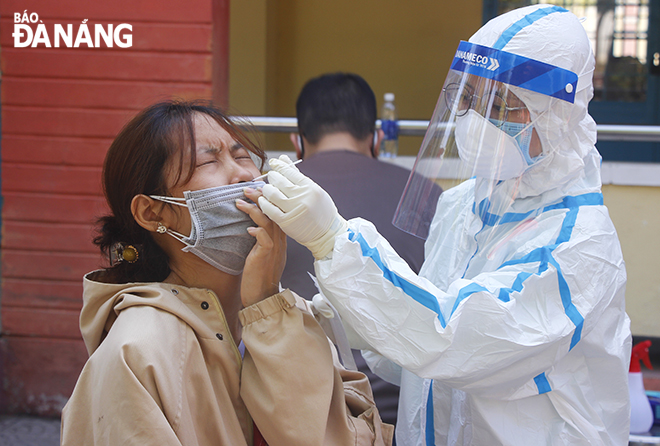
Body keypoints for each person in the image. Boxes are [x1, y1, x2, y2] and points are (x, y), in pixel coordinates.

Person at [250, 5, 632, 446]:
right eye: (468, 98)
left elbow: (456, 339)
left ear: (557, 116)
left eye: (500, 104)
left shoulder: (579, 245)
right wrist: (331, 312)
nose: (473, 118)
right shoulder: (464, 205)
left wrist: (334, 241)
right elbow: (409, 354)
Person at [60, 100, 393, 446]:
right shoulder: (136, 354)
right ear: (153, 213)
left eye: (242, 155)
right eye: (210, 160)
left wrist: (267, 305)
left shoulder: (292, 313)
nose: (245, 175)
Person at [280, 72, 434, 430]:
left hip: (300, 417)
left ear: (297, 142)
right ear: (378, 137)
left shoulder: (272, 199)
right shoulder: (424, 194)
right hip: (403, 417)